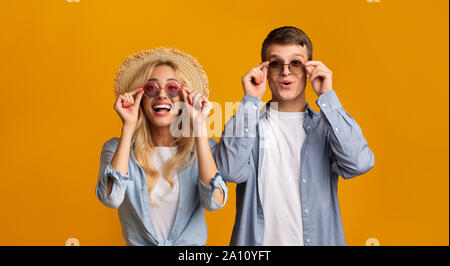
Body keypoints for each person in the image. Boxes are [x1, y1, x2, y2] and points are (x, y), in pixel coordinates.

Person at [214, 26, 375, 246]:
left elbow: (359, 163)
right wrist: (250, 100)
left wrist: (328, 97)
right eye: (276, 63)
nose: (286, 72)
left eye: (296, 63)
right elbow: (229, 171)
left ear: (309, 69)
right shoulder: (248, 125)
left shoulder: (325, 128)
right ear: (265, 70)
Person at [95, 47, 227, 246]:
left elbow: (214, 202)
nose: (162, 96)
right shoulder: (116, 148)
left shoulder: (203, 147)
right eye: (151, 89)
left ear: (184, 98)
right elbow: (111, 199)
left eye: (172, 88)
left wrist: (199, 126)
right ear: (140, 98)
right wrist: (129, 126)